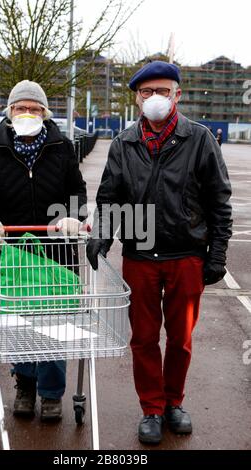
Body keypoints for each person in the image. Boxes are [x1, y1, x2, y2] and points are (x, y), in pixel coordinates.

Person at [86, 61, 232, 444]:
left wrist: (216, 253)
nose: (154, 99)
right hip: (140, 257)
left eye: (162, 91)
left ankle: (174, 402)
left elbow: (219, 200)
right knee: (145, 339)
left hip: (186, 257)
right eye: (146, 92)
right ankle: (151, 407)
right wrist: (101, 237)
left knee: (181, 338)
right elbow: (109, 198)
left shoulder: (200, 139)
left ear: (177, 95)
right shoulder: (124, 143)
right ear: (136, 98)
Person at [0, 80, 87, 421]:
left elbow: (78, 190)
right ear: (9, 112)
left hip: (56, 253)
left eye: (34, 108)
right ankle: (26, 385)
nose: (27, 113)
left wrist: (74, 215)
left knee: (54, 323)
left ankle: (51, 392)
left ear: (45, 114)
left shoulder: (62, 148)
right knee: (18, 323)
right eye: (20, 108)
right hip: (14, 253)